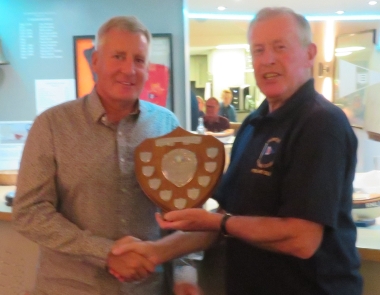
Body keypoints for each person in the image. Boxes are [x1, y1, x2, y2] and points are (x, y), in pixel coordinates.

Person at [111, 7, 363, 295]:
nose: (267, 59)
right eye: (258, 50)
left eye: (280, 47)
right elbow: (226, 217)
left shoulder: (321, 123)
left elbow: (302, 239)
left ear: (309, 53)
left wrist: (219, 222)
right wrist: (155, 251)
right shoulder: (255, 123)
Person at [12, 15, 195, 295]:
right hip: (72, 288)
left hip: (148, 288)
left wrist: (184, 273)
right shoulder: (51, 125)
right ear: (95, 62)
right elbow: (29, 211)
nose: (129, 69)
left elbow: (180, 212)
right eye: (118, 56)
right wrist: (105, 252)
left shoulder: (166, 125)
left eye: (139, 60)